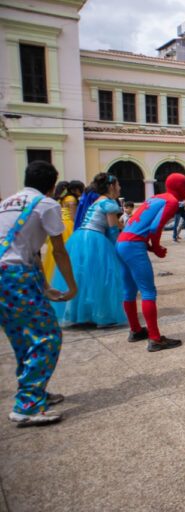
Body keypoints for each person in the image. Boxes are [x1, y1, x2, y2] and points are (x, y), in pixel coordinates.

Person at [1, 161, 77, 426]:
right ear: (52, 185)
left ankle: (35, 392)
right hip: (16, 277)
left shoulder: (8, 201)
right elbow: (58, 250)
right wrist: (71, 286)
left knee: (22, 337)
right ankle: (27, 404)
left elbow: (24, 248)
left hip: (9, 274)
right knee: (47, 336)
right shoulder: (47, 204)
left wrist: (44, 286)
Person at [117, 173, 185, 351]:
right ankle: (155, 338)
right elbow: (155, 227)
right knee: (148, 291)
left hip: (122, 242)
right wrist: (155, 247)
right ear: (180, 186)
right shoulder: (171, 201)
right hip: (134, 245)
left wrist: (150, 246)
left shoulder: (156, 197)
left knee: (129, 290)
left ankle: (135, 330)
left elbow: (139, 226)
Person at [51, 173, 126, 327]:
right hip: (95, 238)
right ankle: (100, 314)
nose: (120, 187)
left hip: (80, 237)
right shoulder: (109, 203)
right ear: (111, 186)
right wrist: (115, 249)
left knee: (82, 275)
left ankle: (76, 313)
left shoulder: (97, 201)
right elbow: (112, 229)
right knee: (101, 276)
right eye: (118, 184)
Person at [42, 181, 81, 282]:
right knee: (71, 254)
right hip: (69, 227)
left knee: (57, 253)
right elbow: (74, 217)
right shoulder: (71, 199)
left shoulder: (57, 200)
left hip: (59, 226)